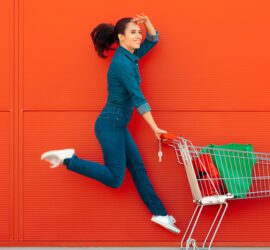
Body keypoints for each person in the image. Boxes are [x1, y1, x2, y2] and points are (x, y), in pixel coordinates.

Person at [40, 14, 180, 234]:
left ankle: (160, 214)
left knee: (139, 170)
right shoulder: (122, 65)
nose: (139, 35)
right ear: (121, 37)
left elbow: (153, 40)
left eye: (138, 32)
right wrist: (155, 128)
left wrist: (147, 22)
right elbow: (138, 98)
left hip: (118, 126)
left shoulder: (131, 56)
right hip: (110, 126)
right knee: (116, 179)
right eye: (133, 32)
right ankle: (70, 159)